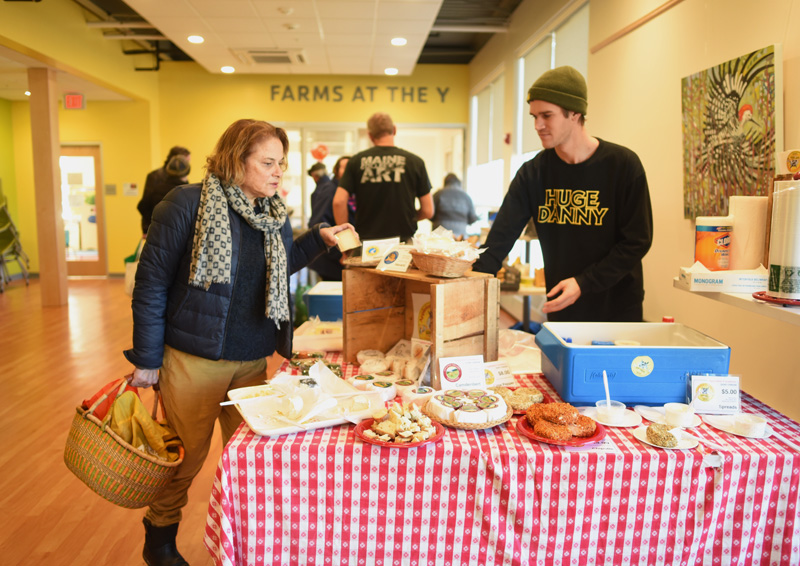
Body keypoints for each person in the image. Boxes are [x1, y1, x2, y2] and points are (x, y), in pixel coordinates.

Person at [124, 119, 355, 566]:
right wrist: (148, 359)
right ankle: (160, 537)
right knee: (185, 460)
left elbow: (277, 266)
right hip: (195, 358)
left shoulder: (272, 213)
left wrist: (320, 240)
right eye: (267, 163)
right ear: (236, 159)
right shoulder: (186, 204)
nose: (277, 174)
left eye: (281, 165)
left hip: (251, 360)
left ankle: (247, 547)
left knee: (252, 464)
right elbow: (150, 284)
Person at [472, 66, 653, 322]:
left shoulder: (622, 166)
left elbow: (637, 242)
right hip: (562, 307)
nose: (537, 125)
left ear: (575, 113)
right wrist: (467, 277)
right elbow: (500, 239)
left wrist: (584, 282)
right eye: (534, 116)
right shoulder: (533, 174)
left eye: (546, 115)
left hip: (618, 308)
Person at [333, 112, 434, 241]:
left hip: (368, 244)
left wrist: (347, 242)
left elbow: (338, 202)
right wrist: (409, 217)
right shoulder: (415, 162)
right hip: (403, 242)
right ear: (394, 130)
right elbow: (428, 210)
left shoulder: (355, 161)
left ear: (370, 135)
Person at [137, 146, 191, 235]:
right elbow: (144, 206)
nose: (187, 164)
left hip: (162, 230)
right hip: (162, 230)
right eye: (186, 161)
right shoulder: (156, 177)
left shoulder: (183, 183)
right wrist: (147, 229)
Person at [307, 160, 346, 280]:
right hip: (332, 260)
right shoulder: (330, 191)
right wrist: (340, 254)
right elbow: (319, 225)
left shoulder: (334, 189)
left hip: (334, 257)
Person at [431, 173, 478, 239]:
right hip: (460, 237)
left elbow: (430, 214)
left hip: (439, 237)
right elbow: (472, 218)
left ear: (445, 182)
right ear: (459, 183)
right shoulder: (466, 197)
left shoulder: (438, 194)